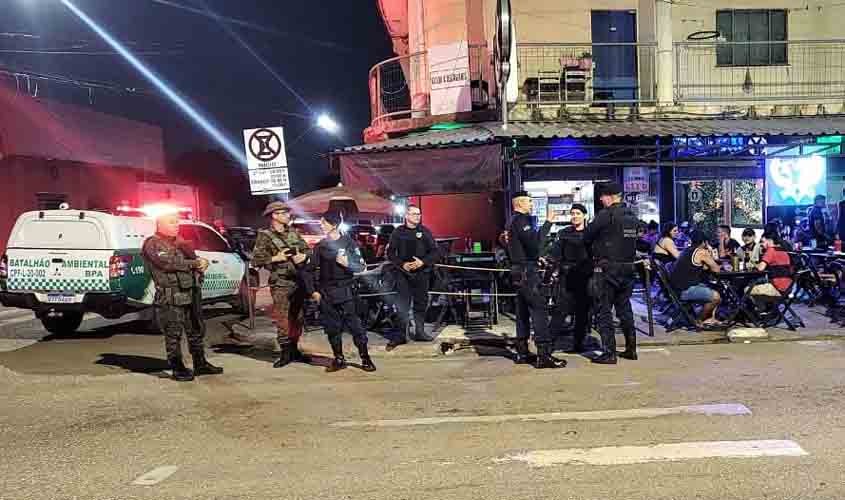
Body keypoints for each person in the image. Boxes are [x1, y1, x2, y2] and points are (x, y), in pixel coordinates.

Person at [141, 213, 223, 382]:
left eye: (177, 222)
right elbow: (167, 263)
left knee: (195, 330)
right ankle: (177, 367)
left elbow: (193, 260)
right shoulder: (153, 243)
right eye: (171, 222)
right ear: (160, 225)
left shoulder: (180, 242)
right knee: (173, 332)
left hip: (190, 292)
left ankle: (200, 364)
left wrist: (201, 263)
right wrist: (195, 264)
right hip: (171, 294)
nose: (176, 225)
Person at [302, 212, 376, 372]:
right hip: (326, 292)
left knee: (356, 327)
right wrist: (313, 291)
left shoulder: (349, 242)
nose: (321, 226)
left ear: (333, 225)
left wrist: (348, 263)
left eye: (323, 223)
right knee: (332, 328)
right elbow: (308, 270)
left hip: (346, 291)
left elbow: (361, 266)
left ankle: (365, 358)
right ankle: (339, 359)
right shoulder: (321, 245)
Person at [582, 182, 639, 364]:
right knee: (624, 309)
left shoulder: (605, 215)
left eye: (602, 196)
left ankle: (609, 353)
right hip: (629, 268)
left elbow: (587, 236)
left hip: (608, 269)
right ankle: (631, 349)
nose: (600, 199)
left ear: (610, 197)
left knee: (603, 310)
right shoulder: (631, 215)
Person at [507, 191, 565, 368]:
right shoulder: (521, 220)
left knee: (522, 313)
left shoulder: (511, 221)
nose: (532, 205)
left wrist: (534, 257)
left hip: (518, 270)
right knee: (539, 311)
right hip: (527, 272)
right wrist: (548, 222)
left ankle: (523, 352)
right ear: (519, 204)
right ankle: (544, 355)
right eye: (529, 202)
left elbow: (524, 247)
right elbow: (536, 242)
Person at [251, 201, 311, 368]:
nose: (287, 215)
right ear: (274, 216)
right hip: (281, 283)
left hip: (298, 281)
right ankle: (285, 352)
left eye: (287, 212)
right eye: (283, 213)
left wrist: (302, 255)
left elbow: (307, 250)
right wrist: (276, 258)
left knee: (297, 318)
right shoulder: (265, 236)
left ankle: (294, 349)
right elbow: (256, 260)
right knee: (283, 318)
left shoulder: (293, 232)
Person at [386, 205, 438, 350]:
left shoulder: (425, 232)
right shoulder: (398, 232)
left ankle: (420, 332)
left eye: (419, 214)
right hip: (403, 275)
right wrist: (402, 264)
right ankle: (402, 334)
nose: (418, 216)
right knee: (402, 305)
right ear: (407, 216)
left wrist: (422, 262)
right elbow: (390, 253)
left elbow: (435, 252)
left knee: (421, 303)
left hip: (422, 274)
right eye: (414, 214)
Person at [547, 203, 592, 353]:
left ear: (584, 215)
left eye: (578, 213)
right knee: (560, 311)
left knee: (582, 313)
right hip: (567, 277)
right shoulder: (564, 233)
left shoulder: (591, 233)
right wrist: (553, 266)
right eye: (572, 213)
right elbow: (555, 252)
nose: (574, 216)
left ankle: (578, 344)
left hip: (585, 277)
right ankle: (548, 345)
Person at [668, 230, 723, 327]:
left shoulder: (687, 250)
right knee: (716, 297)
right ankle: (699, 320)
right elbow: (716, 269)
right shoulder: (701, 252)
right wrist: (710, 252)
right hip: (684, 290)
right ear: (704, 242)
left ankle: (710, 318)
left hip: (676, 289)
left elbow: (701, 266)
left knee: (716, 288)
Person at [749, 230, 793, 304]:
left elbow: (760, 268)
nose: (761, 244)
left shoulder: (770, 251)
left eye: (763, 241)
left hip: (777, 288)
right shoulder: (783, 250)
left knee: (747, 289)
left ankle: (760, 311)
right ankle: (768, 311)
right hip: (788, 287)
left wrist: (753, 263)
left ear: (769, 240)